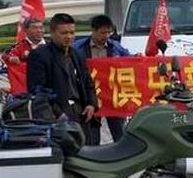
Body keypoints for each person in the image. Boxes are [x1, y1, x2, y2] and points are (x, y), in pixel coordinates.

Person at [27, 13, 98, 142]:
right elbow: (37, 91)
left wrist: (91, 104)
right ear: (52, 33)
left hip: (81, 112)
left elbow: (88, 81)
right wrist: (58, 114)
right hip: (57, 114)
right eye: (64, 33)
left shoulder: (77, 54)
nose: (69, 37)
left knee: (88, 151)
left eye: (72, 32)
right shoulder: (39, 55)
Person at [73, 14, 132, 144]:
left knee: (120, 134)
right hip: (90, 97)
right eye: (102, 32)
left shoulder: (116, 47)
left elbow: (130, 63)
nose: (106, 36)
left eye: (108, 32)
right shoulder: (77, 48)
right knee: (92, 137)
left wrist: (137, 58)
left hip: (112, 96)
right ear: (93, 30)